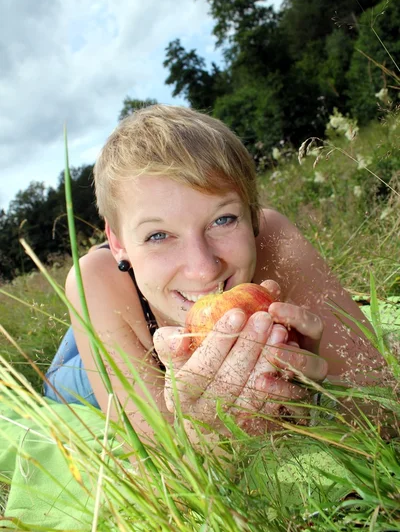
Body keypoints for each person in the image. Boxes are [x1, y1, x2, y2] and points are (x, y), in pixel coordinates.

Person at [44, 104, 376, 439]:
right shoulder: (93, 280)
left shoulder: (273, 235)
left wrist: (315, 397)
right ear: (118, 242)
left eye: (223, 219)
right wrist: (209, 438)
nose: (204, 269)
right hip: (114, 317)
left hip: (152, 287)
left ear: (251, 212)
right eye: (158, 235)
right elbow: (154, 465)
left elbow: (376, 386)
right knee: (61, 385)